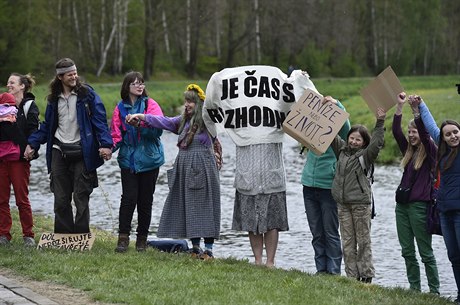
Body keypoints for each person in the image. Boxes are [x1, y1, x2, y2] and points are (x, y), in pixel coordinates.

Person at [126, 84, 220, 259]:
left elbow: (217, 107)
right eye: (186, 100)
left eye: (191, 101)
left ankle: (209, 250)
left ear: (199, 103)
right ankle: (195, 248)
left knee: (206, 207)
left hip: (203, 169)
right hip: (186, 169)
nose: (187, 104)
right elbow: (164, 121)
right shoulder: (183, 120)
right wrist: (142, 117)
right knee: (190, 207)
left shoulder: (208, 120)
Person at [24, 58, 113, 234]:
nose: (74, 77)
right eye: (70, 74)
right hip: (58, 149)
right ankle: (63, 236)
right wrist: (32, 144)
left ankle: (81, 236)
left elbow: (100, 122)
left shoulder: (88, 95)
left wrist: (106, 145)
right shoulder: (53, 99)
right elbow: (48, 126)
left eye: (75, 73)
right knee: (61, 198)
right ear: (60, 77)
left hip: (83, 150)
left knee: (81, 196)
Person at [329, 103, 386, 283]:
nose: (354, 142)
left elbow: (377, 143)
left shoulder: (366, 156)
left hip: (360, 205)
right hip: (343, 205)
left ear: (364, 142)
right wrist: (330, 108)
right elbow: (329, 132)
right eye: (351, 138)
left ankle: (366, 275)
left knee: (363, 241)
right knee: (347, 242)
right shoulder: (341, 151)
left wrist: (380, 121)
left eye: (358, 140)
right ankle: (351, 277)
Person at [411, 95, 460, 302]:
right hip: (445, 212)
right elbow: (430, 126)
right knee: (454, 257)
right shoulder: (441, 150)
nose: (453, 136)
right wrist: (420, 105)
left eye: (456, 132)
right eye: (448, 134)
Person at [110, 71, 165, 252]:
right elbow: (116, 135)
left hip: (150, 160)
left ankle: (142, 240)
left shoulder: (150, 104)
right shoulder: (120, 108)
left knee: (145, 200)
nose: (140, 86)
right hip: (129, 161)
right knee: (128, 199)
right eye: (135, 83)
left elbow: (158, 129)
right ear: (127, 87)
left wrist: (140, 124)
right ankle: (123, 239)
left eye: (141, 83)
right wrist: (108, 149)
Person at [392, 92, 439, 294]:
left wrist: (416, 111)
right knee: (407, 251)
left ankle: (434, 290)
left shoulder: (430, 152)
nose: (411, 135)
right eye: (410, 132)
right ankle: (414, 288)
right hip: (401, 207)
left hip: (420, 207)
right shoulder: (408, 152)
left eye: (415, 132)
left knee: (425, 252)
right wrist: (400, 107)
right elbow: (395, 131)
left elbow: (425, 132)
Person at [301, 95, 350, 275]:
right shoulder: (312, 128)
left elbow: (347, 127)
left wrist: (337, 104)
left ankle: (334, 271)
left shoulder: (338, 133)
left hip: (328, 186)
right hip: (308, 185)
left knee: (330, 232)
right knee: (317, 233)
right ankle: (321, 270)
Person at [0, 78, 39, 247]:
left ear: (22, 86)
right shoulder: (1, 105)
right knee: (1, 199)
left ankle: (28, 235)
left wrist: (30, 148)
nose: (9, 85)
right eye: (8, 83)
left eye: (12, 82)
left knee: (21, 199)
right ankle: (3, 234)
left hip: (18, 160)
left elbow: (33, 132)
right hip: (1, 160)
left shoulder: (28, 107)